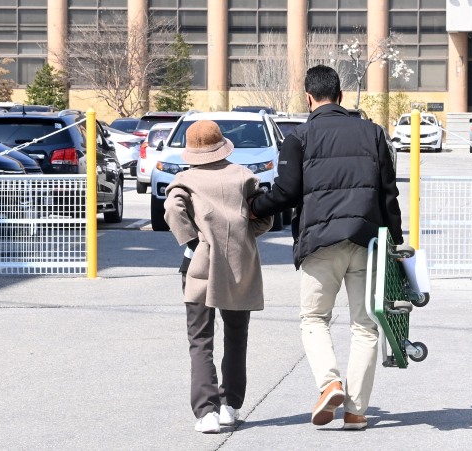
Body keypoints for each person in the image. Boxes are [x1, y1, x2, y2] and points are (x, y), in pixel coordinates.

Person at [249, 65, 403, 430]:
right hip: (366, 241)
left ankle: (329, 383)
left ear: (308, 98)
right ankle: (355, 411)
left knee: (315, 319)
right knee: (365, 326)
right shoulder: (374, 133)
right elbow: (389, 195)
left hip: (320, 244)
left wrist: (253, 208)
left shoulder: (298, 138)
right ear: (341, 96)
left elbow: (286, 193)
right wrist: (394, 244)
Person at [164, 120, 273, 434]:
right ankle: (229, 406)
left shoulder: (184, 179)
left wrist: (195, 241)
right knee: (236, 338)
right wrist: (243, 234)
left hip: (199, 266)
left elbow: (172, 210)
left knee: (200, 340)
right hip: (240, 264)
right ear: (222, 144)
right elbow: (264, 215)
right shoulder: (244, 176)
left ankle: (207, 411)